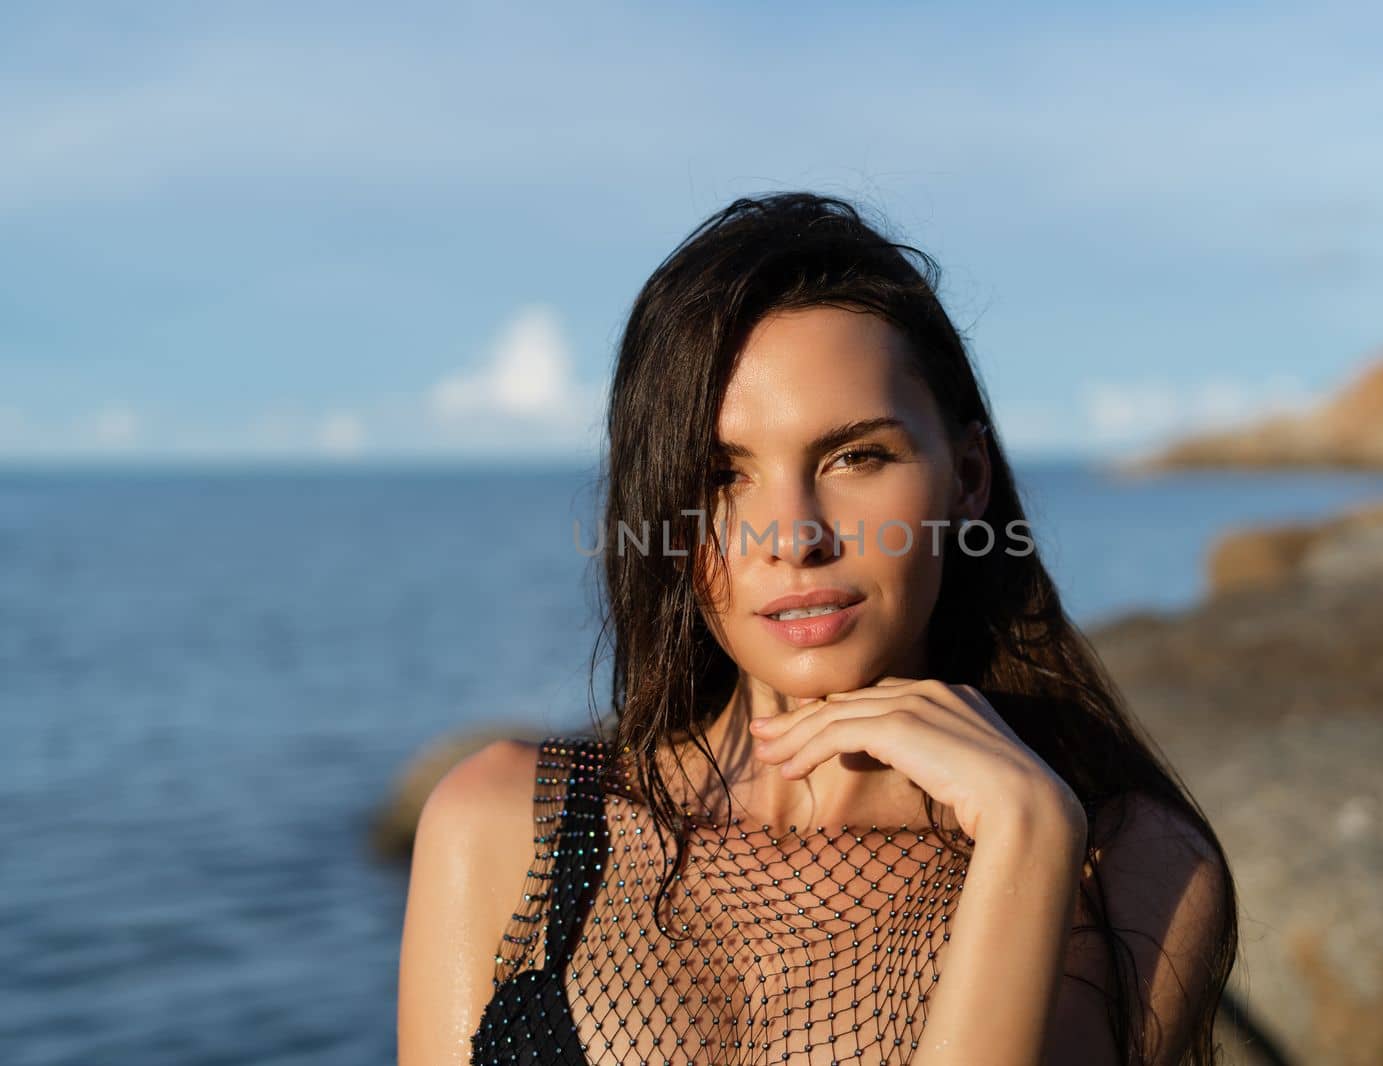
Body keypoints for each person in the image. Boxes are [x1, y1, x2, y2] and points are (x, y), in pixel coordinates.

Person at [397, 191, 1238, 1065]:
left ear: (969, 477)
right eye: (722, 475)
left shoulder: (1128, 868)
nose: (794, 537)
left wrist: (1026, 834)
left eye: (856, 458)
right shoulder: (512, 826)